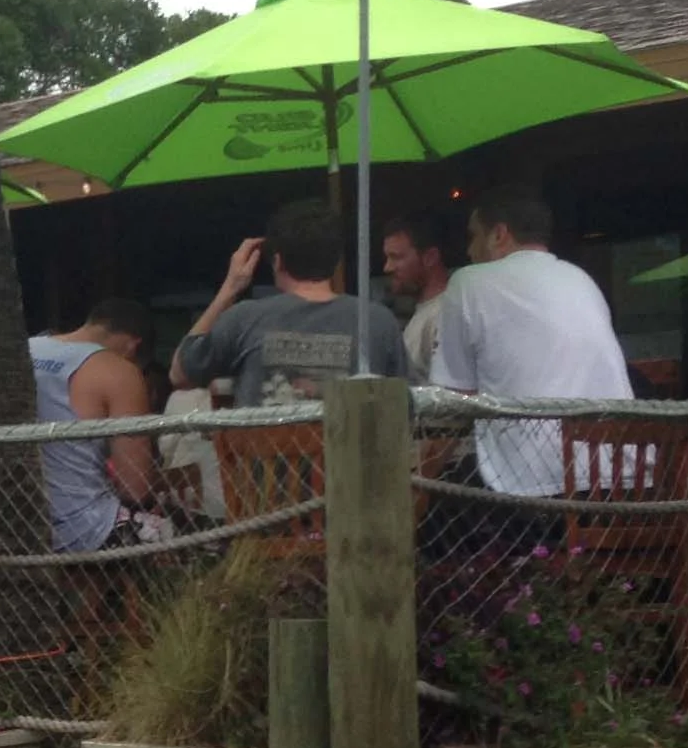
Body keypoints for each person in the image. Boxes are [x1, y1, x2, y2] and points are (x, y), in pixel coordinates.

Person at [429, 184, 633, 495]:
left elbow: (455, 399)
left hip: (532, 486)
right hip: (626, 483)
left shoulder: (469, 282)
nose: (468, 251)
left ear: (499, 234)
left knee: (436, 515)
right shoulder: (580, 279)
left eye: (473, 237)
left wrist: (422, 470)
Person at [169, 200, 409, 406]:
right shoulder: (378, 322)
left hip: (265, 457)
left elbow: (180, 374)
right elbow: (408, 406)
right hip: (353, 458)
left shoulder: (244, 319)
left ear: (277, 261)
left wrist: (230, 288)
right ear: (336, 260)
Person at [30, 299, 161, 553]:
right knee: (181, 535)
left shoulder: (23, 349)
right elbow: (135, 487)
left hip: (10, 527)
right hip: (84, 530)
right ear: (134, 347)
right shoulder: (119, 371)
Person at [382, 212, 457, 382]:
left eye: (396, 257)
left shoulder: (442, 314)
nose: (387, 267)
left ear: (430, 257)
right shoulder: (427, 311)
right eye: (387, 258)